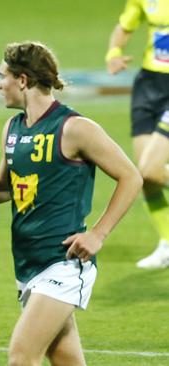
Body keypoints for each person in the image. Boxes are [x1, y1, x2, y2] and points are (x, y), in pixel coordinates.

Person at [0, 42, 142, 365]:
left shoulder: (75, 128)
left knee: (21, 355)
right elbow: (3, 187)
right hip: (28, 264)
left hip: (63, 262)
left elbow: (131, 177)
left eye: (2, 77)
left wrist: (98, 234)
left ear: (22, 80)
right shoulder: (12, 129)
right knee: (66, 359)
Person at [105, 0, 169, 269]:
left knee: (151, 168)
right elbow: (125, 25)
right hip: (149, 86)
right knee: (146, 178)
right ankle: (167, 243)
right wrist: (114, 53)